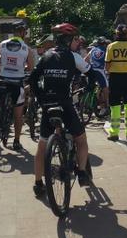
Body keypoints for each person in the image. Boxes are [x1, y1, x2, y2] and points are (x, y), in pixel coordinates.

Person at [29, 22, 94, 197]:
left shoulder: (46, 56)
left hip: (48, 104)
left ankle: (37, 183)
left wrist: (41, 98)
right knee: (81, 139)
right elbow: (91, 73)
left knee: (42, 146)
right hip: (65, 104)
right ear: (70, 40)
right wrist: (90, 87)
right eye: (75, 40)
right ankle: (81, 172)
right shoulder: (74, 57)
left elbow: (33, 79)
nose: (77, 43)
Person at [0, 19, 34, 152]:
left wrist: (0, 68)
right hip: (17, 84)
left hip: (3, 81)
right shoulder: (27, 49)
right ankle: (16, 141)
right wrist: (21, 67)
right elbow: (30, 67)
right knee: (18, 114)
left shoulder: (2, 44)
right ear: (23, 32)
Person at [105, 24, 127, 141]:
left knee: (115, 106)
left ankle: (114, 133)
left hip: (115, 78)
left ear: (116, 34)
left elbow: (107, 66)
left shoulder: (111, 46)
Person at [85, 36, 109, 115]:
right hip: (100, 71)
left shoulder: (92, 50)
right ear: (105, 43)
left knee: (94, 88)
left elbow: (86, 60)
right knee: (105, 88)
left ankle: (89, 104)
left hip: (90, 70)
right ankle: (106, 106)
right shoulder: (106, 50)